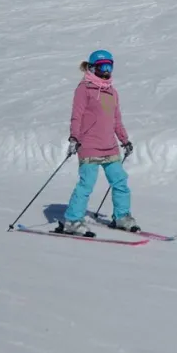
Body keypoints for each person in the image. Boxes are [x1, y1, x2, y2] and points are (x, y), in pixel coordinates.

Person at [58, 49, 137, 236]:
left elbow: (116, 120)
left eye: (110, 66)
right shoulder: (84, 89)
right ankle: (72, 219)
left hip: (110, 145)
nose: (107, 71)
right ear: (93, 68)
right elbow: (76, 116)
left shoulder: (112, 92)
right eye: (103, 67)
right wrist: (74, 138)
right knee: (87, 184)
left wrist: (124, 140)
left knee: (120, 181)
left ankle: (122, 216)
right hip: (89, 145)